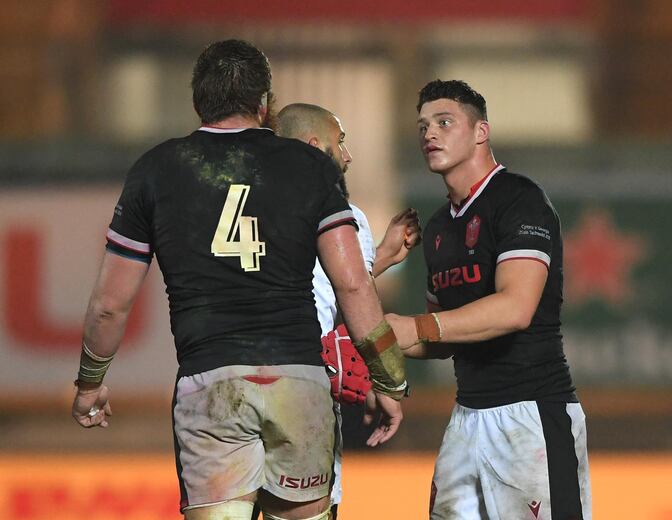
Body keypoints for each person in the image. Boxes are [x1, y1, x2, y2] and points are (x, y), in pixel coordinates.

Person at [70, 39, 408, 520]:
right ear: (264, 104)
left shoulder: (156, 170)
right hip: (298, 380)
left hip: (211, 384)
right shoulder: (312, 169)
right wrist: (390, 380)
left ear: (196, 103)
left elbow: (110, 304)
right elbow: (353, 285)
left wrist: (90, 383)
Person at [387, 80, 592, 520]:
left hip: (532, 416)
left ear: (481, 132)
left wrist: (415, 328)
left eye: (445, 122)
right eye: (423, 126)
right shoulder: (440, 226)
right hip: (467, 417)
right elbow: (445, 337)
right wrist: (384, 337)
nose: (430, 134)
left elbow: (515, 308)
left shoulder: (519, 199)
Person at [275, 102, 421, 518]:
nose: (348, 154)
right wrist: (389, 382)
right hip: (301, 391)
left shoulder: (241, 203)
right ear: (314, 145)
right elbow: (353, 293)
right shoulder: (340, 212)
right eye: (341, 142)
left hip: (228, 382)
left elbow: (324, 287)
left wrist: (382, 256)